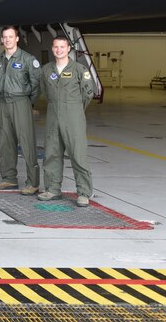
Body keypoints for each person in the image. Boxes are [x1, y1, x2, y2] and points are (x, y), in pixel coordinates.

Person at [38, 35, 96, 207]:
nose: (59, 50)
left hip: (73, 118)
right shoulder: (46, 70)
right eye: (56, 47)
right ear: (52, 48)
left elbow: (88, 93)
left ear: (68, 48)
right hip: (53, 116)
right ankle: (52, 189)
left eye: (62, 47)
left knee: (78, 155)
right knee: (52, 154)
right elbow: (45, 92)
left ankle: (84, 192)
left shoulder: (79, 69)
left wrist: (75, 109)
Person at [0, 26, 42, 195]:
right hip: (4, 103)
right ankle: (9, 178)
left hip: (21, 102)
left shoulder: (27, 59)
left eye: (10, 37)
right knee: (5, 142)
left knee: (26, 142)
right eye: (4, 37)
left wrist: (27, 102)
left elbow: (36, 85)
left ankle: (33, 182)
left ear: (17, 39)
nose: (7, 40)